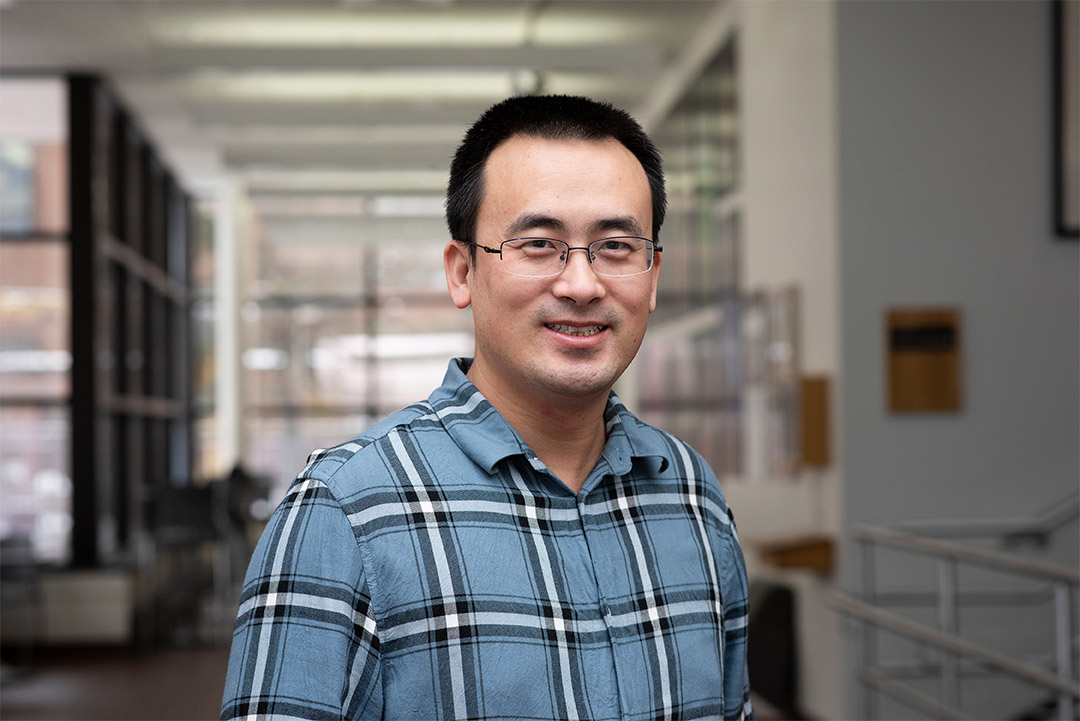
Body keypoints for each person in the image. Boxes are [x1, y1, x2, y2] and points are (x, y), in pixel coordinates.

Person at [221, 95, 753, 721]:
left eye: (615, 246)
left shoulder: (691, 496)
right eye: (537, 244)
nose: (581, 285)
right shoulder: (346, 513)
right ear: (462, 271)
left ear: (653, 274)